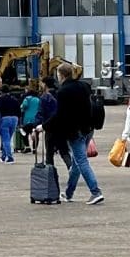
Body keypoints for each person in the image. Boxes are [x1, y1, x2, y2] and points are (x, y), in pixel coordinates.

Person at [48, 64, 105, 205]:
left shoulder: (63, 92)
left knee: (81, 161)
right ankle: (68, 193)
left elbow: (60, 115)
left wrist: (43, 126)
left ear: (61, 74)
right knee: (75, 163)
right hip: (88, 128)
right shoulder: (84, 86)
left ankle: (95, 192)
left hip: (75, 131)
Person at [0, 86, 23, 163]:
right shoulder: (14, 99)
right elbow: (19, 111)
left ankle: (10, 157)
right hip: (14, 119)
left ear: (1, 92)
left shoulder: (0, 99)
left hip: (4, 119)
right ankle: (3, 156)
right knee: (8, 138)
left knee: (5, 139)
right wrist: (20, 122)